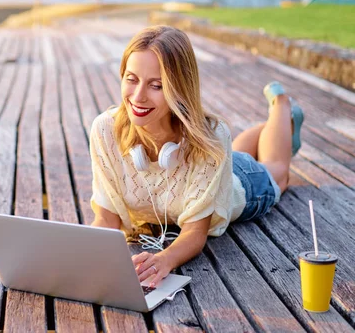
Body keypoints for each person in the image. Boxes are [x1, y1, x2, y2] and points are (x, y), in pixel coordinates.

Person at [89, 26, 304, 288]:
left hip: (241, 186)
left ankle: (282, 107)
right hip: (214, 167)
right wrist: (82, 257)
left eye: (156, 85)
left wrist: (165, 259)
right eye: (131, 79)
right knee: (236, 153)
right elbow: (107, 218)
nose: (138, 96)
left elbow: (195, 232)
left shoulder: (210, 139)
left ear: (179, 87)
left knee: (278, 171)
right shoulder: (105, 130)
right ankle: (267, 129)